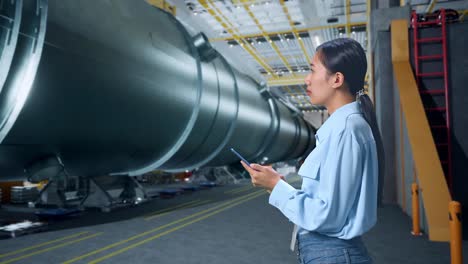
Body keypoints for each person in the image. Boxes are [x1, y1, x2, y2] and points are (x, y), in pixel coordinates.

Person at [240, 38, 385, 264]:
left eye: (312, 70)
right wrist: (278, 185)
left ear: (337, 79)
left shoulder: (345, 130)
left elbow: (328, 216)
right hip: (330, 252)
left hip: (333, 253)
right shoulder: (342, 127)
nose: (307, 79)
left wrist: (275, 186)